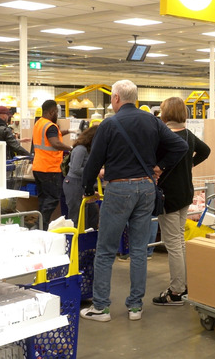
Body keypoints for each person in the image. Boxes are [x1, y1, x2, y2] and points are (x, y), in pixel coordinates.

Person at [79, 80, 187, 322]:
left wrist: (87, 190)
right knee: (139, 250)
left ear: (116, 98)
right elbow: (179, 146)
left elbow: (93, 162)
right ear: (135, 98)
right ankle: (135, 307)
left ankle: (101, 307)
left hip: (119, 190)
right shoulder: (152, 121)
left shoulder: (109, 124)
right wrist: (159, 167)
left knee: (106, 251)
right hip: (147, 189)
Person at [151, 97, 210, 305]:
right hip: (185, 193)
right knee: (180, 242)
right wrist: (189, 165)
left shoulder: (163, 137)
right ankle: (185, 284)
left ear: (166, 113)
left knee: (173, 243)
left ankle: (176, 291)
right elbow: (206, 151)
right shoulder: (188, 135)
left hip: (169, 195)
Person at [32, 100, 72, 227]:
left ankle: (39, 225)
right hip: (50, 168)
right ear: (51, 112)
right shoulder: (50, 126)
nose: (57, 115)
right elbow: (56, 143)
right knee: (53, 199)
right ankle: (41, 225)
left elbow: (55, 135)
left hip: (38, 167)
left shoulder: (39, 123)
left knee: (43, 199)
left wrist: (70, 131)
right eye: (56, 112)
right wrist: (71, 148)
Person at [62, 125, 99, 230]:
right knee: (77, 216)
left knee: (91, 213)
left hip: (82, 184)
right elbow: (75, 169)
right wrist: (95, 171)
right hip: (74, 184)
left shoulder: (88, 150)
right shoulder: (80, 149)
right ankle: (77, 243)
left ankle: (88, 239)